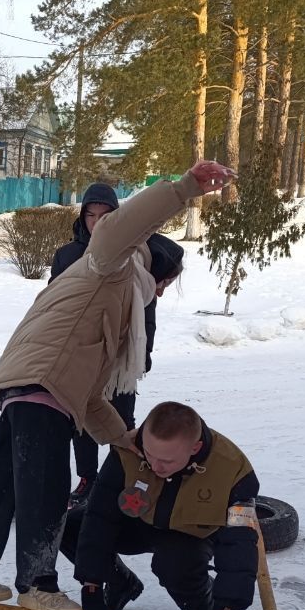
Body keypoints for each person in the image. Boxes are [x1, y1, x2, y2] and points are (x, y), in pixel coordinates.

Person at [0, 159, 234, 610]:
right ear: (152, 267)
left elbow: (91, 392)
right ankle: (37, 584)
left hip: (32, 382)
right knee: (47, 492)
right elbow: (123, 224)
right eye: (163, 283)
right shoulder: (111, 264)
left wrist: (124, 438)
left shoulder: (109, 300)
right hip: (43, 382)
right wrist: (183, 189)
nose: (158, 293)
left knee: (0, 489)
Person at [61, 401, 260, 610]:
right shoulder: (128, 450)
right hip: (138, 523)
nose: (155, 466)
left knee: (173, 562)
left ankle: (201, 607)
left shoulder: (234, 472)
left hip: (190, 534)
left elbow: (239, 544)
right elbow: (99, 518)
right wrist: (91, 587)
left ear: (195, 448)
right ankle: (120, 583)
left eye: (166, 460)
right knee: (68, 526)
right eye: (150, 454)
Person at [49, 187, 187, 507]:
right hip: (84, 351)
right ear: (82, 218)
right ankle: (87, 478)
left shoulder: (133, 253)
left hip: (122, 355)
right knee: (82, 420)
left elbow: (147, 307)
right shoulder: (67, 256)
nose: (97, 223)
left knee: (121, 422)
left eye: (106, 216)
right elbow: (54, 308)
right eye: (90, 215)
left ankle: (120, 480)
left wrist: (145, 351)